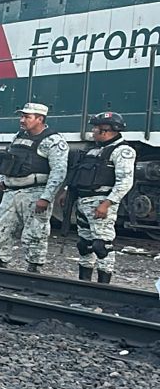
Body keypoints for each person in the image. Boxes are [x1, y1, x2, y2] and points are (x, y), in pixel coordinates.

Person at [0, 102, 69, 273]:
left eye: (27, 116)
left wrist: (47, 197)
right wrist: (3, 179)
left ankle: (34, 269)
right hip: (11, 193)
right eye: (22, 116)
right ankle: (0, 267)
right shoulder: (18, 136)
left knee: (35, 234)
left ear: (40, 119)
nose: (22, 119)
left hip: (35, 193)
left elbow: (59, 172)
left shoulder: (53, 141)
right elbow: (9, 160)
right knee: (1, 231)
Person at [67, 111, 136, 284]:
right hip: (83, 203)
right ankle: (85, 283)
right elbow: (78, 174)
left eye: (95, 128)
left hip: (101, 203)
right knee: (84, 245)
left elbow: (125, 182)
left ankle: (104, 287)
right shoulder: (94, 150)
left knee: (101, 245)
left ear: (106, 130)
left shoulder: (122, 151)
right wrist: (67, 192)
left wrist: (106, 204)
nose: (93, 132)